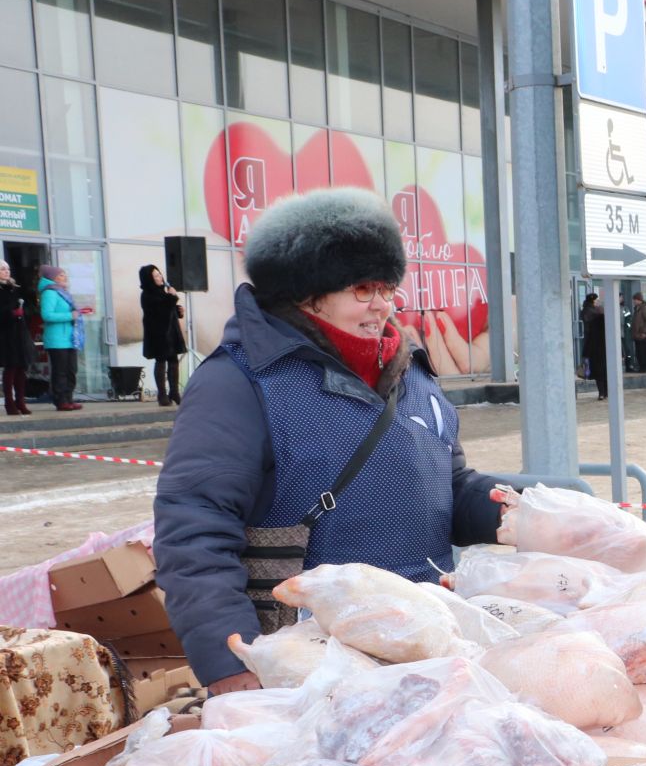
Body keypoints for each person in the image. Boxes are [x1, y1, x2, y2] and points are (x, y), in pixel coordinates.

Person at [154, 187, 506, 695]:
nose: (383, 306)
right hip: (308, 662)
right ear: (303, 292)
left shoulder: (412, 371)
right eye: (363, 289)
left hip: (426, 644)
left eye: (389, 288)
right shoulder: (241, 382)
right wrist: (231, 665)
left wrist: (517, 512)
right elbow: (194, 532)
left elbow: (446, 488)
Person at [37, 265, 84, 411]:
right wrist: (70, 315)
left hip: (70, 338)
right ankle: (61, 400)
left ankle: (69, 398)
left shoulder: (63, 293)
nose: (65, 277)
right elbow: (47, 315)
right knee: (60, 371)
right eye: (62, 275)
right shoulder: (50, 293)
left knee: (72, 370)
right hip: (57, 339)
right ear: (53, 277)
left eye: (65, 274)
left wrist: (78, 312)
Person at [139, 265, 188, 406]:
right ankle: (162, 394)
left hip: (171, 333)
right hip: (158, 334)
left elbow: (169, 310)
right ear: (149, 279)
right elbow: (160, 311)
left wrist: (178, 311)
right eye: (156, 276)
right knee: (161, 361)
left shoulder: (162, 292)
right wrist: (172, 297)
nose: (160, 277)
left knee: (173, 361)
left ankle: (174, 392)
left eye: (160, 274)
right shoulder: (147, 294)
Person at [0, 260, 29, 416]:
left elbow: (23, 306)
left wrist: (21, 312)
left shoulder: (14, 288)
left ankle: (21, 401)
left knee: (21, 368)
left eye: (7, 269)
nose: (6, 271)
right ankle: (9, 403)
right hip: (5, 334)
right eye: (2, 269)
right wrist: (10, 313)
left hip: (18, 332)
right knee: (10, 368)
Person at [581, 292, 608, 399]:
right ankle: (605, 393)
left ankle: (602, 393)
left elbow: (589, 339)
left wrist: (585, 353)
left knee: (599, 374)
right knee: (604, 373)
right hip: (604, 352)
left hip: (596, 352)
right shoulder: (606, 324)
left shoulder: (593, 324)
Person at [630, 289, 646, 373]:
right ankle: (642, 367)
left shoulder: (645, 308)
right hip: (637, 335)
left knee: (644, 352)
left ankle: (645, 367)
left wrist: (644, 332)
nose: (633, 301)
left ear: (638, 300)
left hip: (643, 335)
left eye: (635, 300)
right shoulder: (637, 308)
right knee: (639, 352)